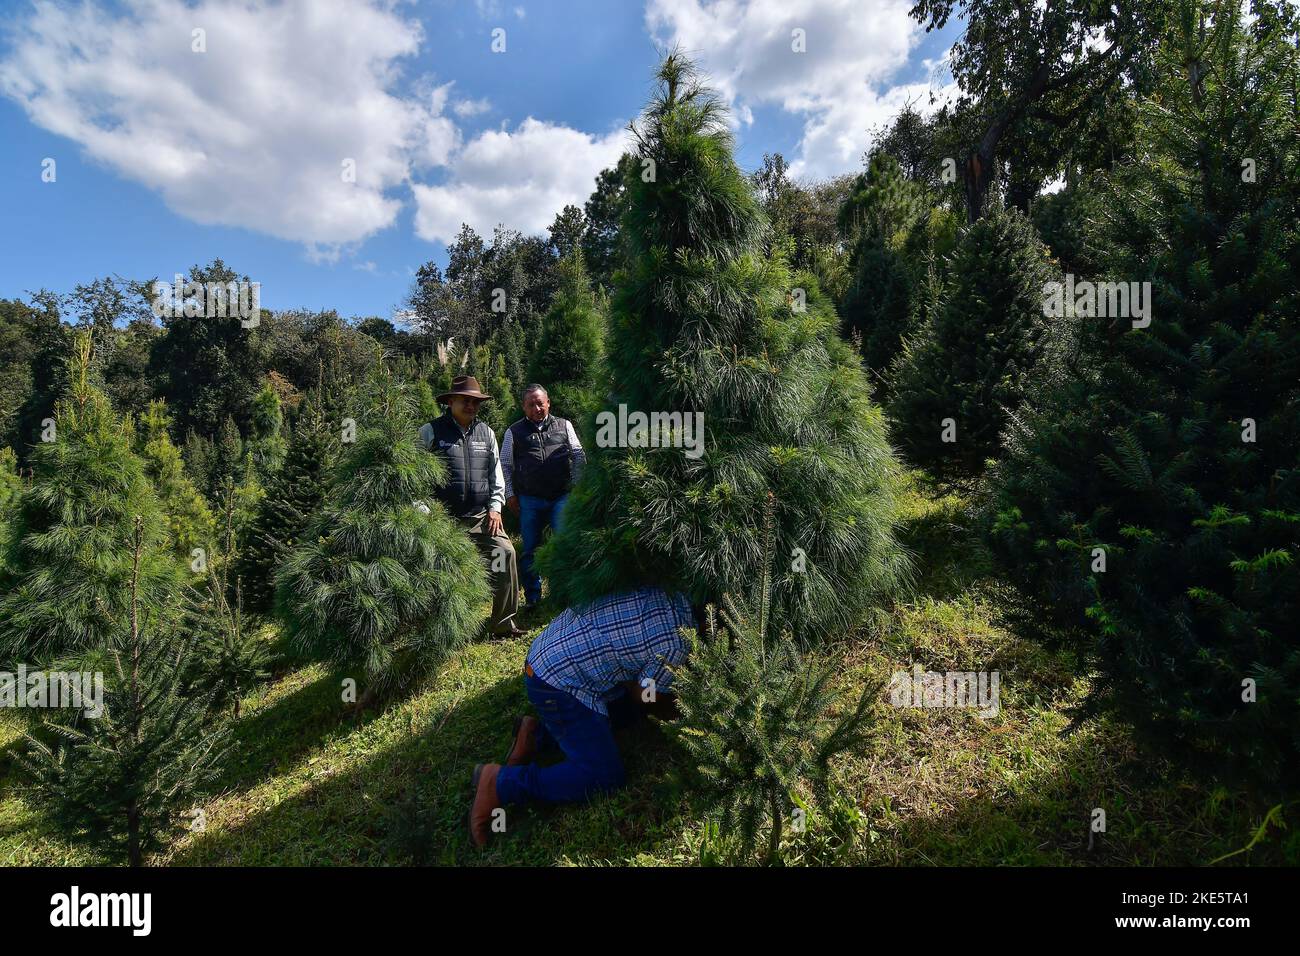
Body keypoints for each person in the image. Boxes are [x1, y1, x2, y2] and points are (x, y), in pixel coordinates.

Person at [468, 586, 696, 846]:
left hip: (547, 652)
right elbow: (644, 695)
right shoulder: (679, 642)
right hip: (556, 684)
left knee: (626, 713)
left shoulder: (667, 591)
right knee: (603, 776)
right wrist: (679, 718)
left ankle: (537, 735)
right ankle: (501, 783)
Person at [419, 375, 524, 637]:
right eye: (465, 400)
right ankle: (444, 631)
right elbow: (414, 476)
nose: (471, 406)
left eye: (475, 402)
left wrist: (495, 508)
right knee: (441, 572)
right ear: (451, 401)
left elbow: (496, 474)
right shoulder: (430, 432)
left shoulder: (486, 432)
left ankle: (503, 623)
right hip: (443, 521)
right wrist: (427, 514)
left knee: (505, 553)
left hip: (481, 518)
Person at [501, 384, 586, 608]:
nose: (537, 408)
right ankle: (533, 597)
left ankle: (565, 592)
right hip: (530, 498)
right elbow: (505, 465)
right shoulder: (514, 432)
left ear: (548, 402)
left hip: (561, 496)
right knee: (530, 549)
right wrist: (510, 494)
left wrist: (576, 486)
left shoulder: (563, 425)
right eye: (531, 404)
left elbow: (578, 454)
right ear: (523, 407)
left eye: (540, 403)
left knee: (563, 544)